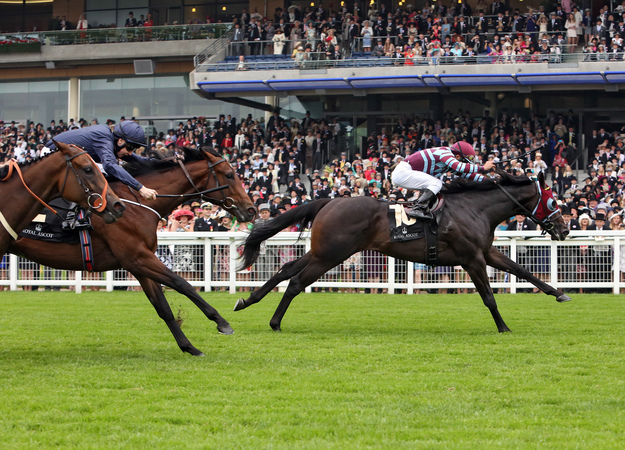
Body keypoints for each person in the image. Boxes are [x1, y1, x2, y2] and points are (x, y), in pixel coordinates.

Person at [45, 120, 158, 200]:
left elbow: (139, 160)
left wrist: (166, 162)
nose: (130, 152)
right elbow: (109, 165)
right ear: (120, 141)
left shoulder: (113, 141)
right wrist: (141, 188)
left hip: (67, 158)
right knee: (100, 174)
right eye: (130, 148)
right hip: (52, 155)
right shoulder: (104, 137)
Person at [391, 141, 495, 220]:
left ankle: (426, 209)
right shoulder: (444, 152)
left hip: (405, 173)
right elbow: (459, 167)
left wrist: (491, 181)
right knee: (436, 183)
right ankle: (418, 209)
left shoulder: (448, 163)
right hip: (403, 172)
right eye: (463, 160)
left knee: (438, 186)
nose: (463, 163)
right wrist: (483, 168)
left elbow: (469, 175)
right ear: (457, 156)